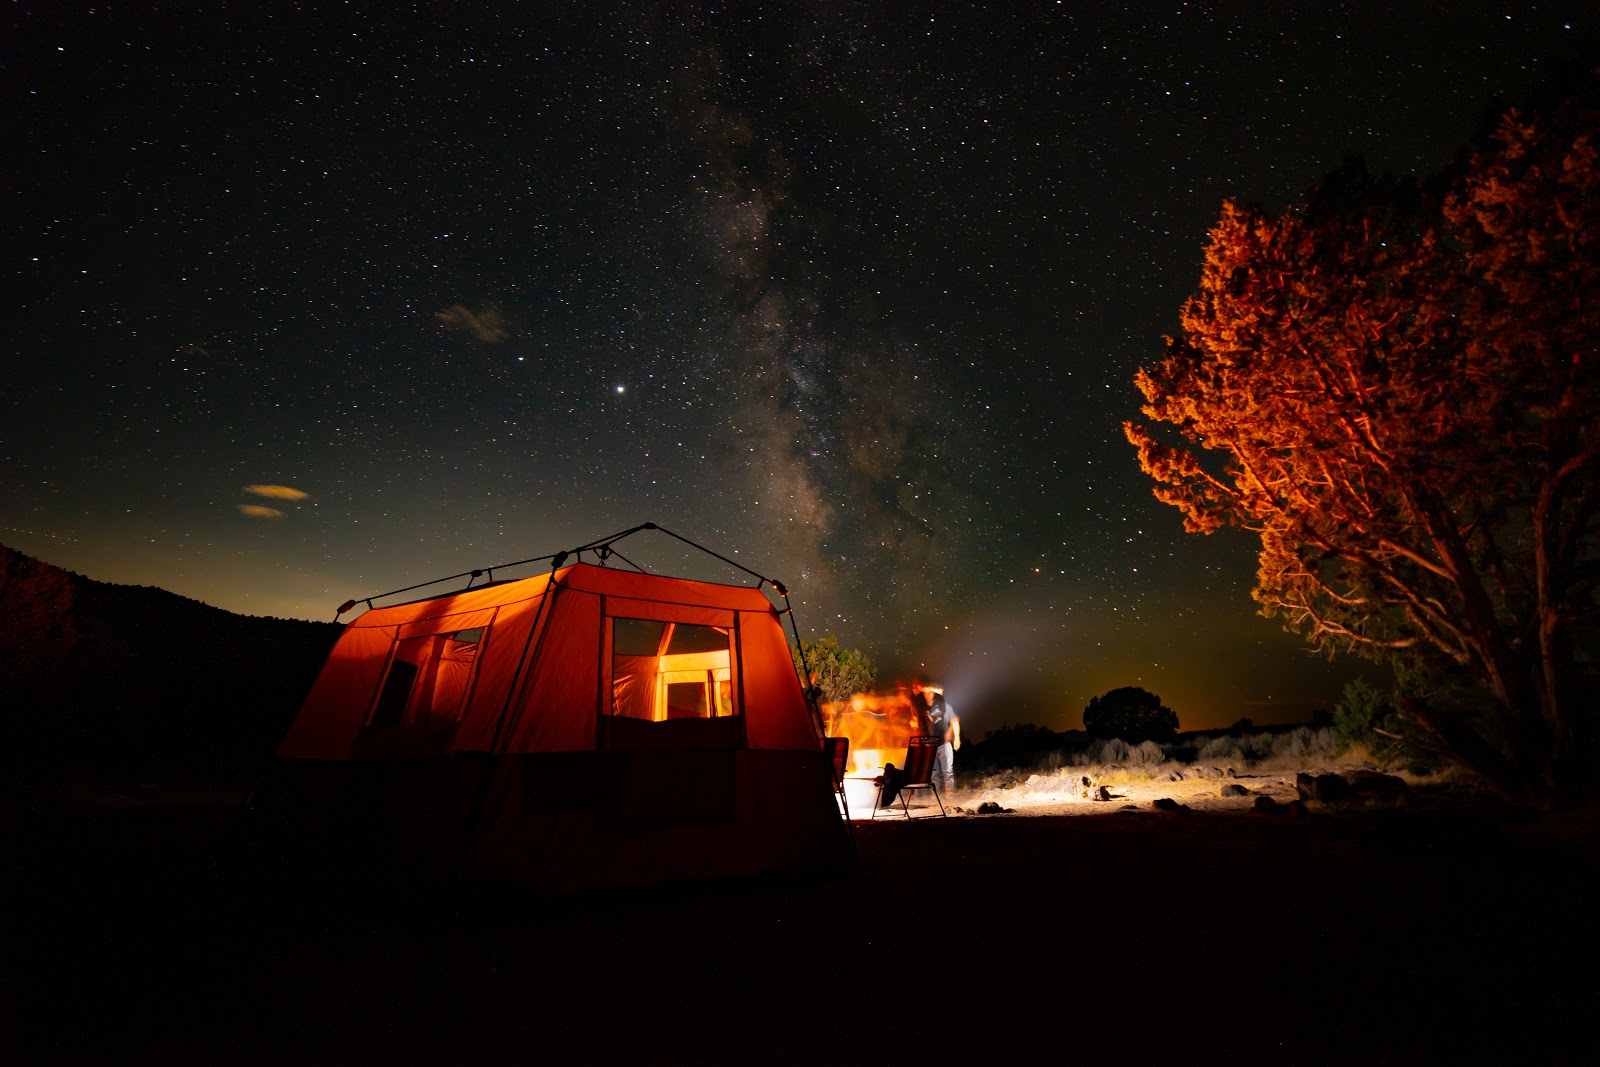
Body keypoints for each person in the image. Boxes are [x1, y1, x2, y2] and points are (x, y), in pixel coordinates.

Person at [929, 691, 960, 798]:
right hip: (931, 745)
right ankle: (935, 797)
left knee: (947, 771)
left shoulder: (946, 706)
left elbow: (955, 721)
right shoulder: (926, 707)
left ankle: (950, 795)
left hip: (944, 744)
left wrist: (957, 738)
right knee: (933, 773)